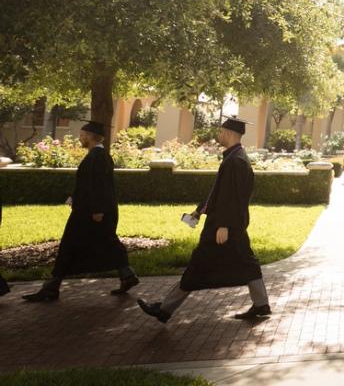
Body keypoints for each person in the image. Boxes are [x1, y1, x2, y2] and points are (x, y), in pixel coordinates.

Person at [137, 118, 269, 323]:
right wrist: (199, 211)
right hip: (232, 225)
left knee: (198, 266)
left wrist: (224, 224)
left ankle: (164, 310)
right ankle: (261, 304)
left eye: (221, 132)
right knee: (247, 263)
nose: (219, 135)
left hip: (223, 226)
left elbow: (232, 198)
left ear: (229, 133)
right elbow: (219, 192)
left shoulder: (236, 161)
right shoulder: (234, 157)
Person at [23, 121, 138, 302]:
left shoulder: (97, 157)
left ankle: (51, 288)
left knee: (71, 245)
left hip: (91, 213)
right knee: (106, 243)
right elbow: (88, 184)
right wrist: (75, 197)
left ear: (92, 136)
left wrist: (97, 210)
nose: (80, 138)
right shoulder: (97, 155)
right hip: (92, 210)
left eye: (83, 135)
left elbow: (99, 186)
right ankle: (127, 276)